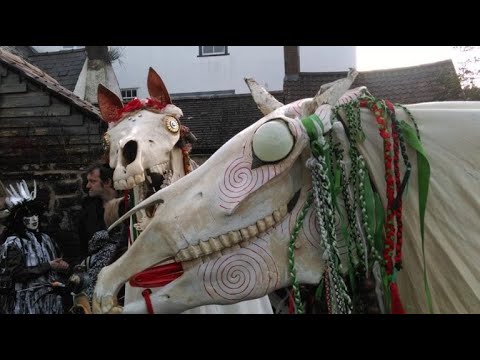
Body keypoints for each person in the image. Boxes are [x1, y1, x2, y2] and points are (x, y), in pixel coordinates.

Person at [0, 180, 69, 314]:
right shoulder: (13, 243)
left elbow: (58, 262)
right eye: (28, 216)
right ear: (19, 219)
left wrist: (63, 267)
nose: (33, 219)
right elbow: (17, 273)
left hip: (51, 303)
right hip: (26, 304)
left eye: (35, 215)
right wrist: (49, 265)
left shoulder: (47, 239)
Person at [74, 162, 128, 305]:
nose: (87, 186)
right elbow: (84, 246)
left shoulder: (128, 204)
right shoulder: (87, 212)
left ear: (107, 182)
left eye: (92, 181)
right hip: (97, 273)